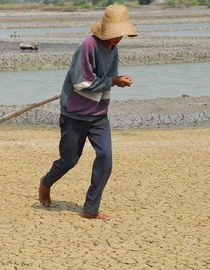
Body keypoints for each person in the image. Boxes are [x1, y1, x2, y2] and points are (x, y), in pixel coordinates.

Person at [38, 4, 138, 220]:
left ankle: (90, 209)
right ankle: (46, 182)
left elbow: (107, 78)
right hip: (76, 113)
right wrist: (113, 81)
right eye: (116, 35)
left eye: (121, 35)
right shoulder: (87, 46)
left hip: (99, 113)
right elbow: (82, 83)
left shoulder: (113, 48)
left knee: (105, 156)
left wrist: (116, 81)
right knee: (69, 160)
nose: (119, 39)